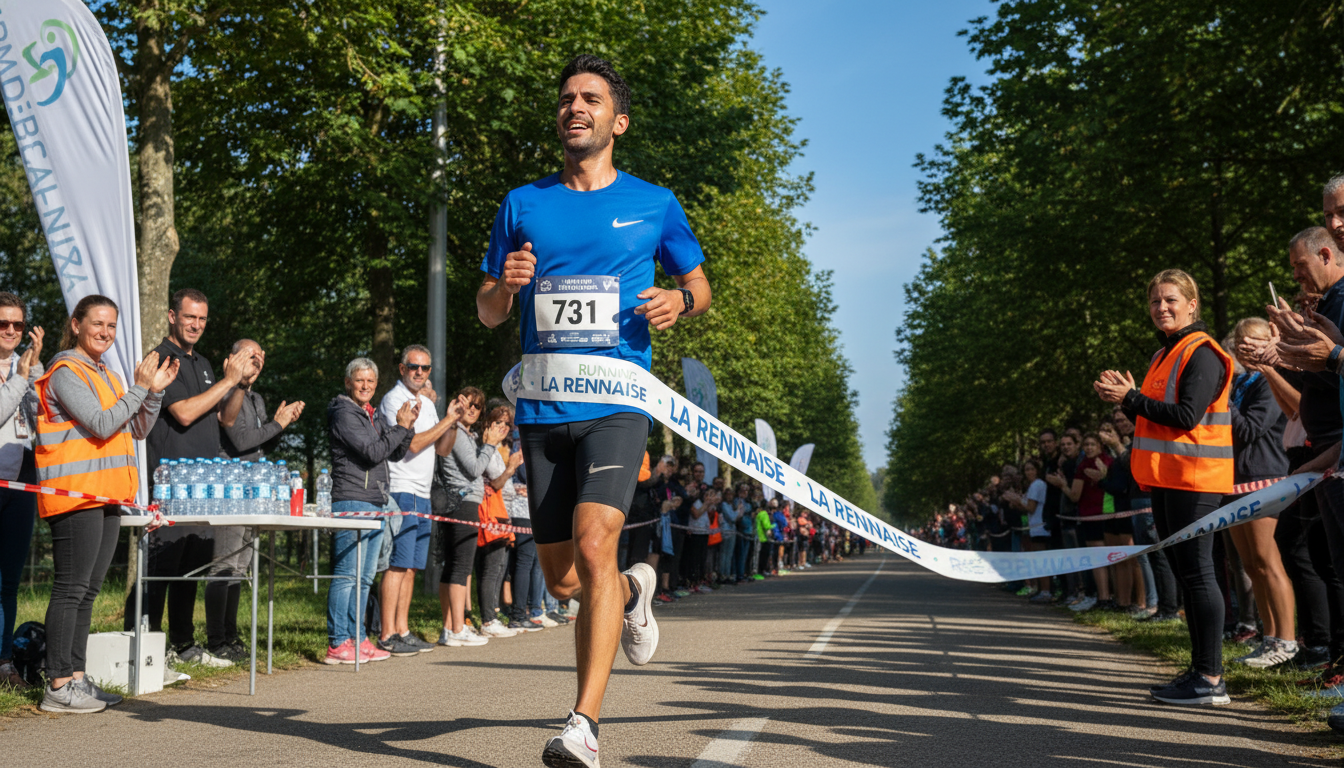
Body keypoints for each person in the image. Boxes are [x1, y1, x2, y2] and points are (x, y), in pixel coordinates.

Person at [477, 53, 712, 766]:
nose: (574, 107)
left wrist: (679, 300)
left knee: (594, 542)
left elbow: (701, 286)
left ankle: (584, 724)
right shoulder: (523, 203)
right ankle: (636, 589)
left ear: (619, 121)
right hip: (543, 409)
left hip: (616, 403)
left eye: (590, 98)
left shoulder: (655, 203)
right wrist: (505, 287)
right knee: (564, 580)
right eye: (567, 98)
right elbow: (488, 312)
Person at [1095, 268, 1233, 705]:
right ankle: (1199, 670)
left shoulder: (1202, 352)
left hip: (1196, 480)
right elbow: (1153, 417)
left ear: (1192, 304)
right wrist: (1125, 400)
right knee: (1186, 574)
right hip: (1166, 479)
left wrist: (1130, 398)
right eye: (1155, 301)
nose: (1162, 308)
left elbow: (1187, 416)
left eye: (1171, 300)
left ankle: (1211, 678)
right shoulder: (1163, 354)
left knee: (1199, 573)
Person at [36, 295, 176, 713]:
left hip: (108, 496)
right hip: (76, 495)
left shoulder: (109, 375)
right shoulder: (65, 372)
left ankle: (76, 678)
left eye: (111, 326)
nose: (105, 332)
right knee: (71, 588)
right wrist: (140, 388)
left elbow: (137, 428)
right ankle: (58, 684)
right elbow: (101, 423)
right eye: (97, 323)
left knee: (88, 591)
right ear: (76, 325)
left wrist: (153, 394)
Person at [134, 289, 252, 670]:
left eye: (202, 319)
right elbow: (183, 412)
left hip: (202, 487)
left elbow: (225, 419)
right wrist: (227, 381)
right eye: (189, 317)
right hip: (170, 485)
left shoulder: (202, 363)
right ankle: (146, 649)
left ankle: (182, 643)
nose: (196, 325)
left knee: (190, 570)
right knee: (162, 570)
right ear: (172, 316)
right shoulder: (160, 358)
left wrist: (239, 385)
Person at [210, 338, 305, 662]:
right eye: (250, 355)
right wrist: (277, 424)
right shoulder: (226, 392)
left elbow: (260, 446)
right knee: (224, 564)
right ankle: (216, 641)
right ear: (232, 359)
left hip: (253, 489)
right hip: (229, 488)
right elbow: (240, 441)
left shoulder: (257, 398)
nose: (257, 360)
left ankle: (231, 636)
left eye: (260, 357)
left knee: (240, 567)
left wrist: (280, 425)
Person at [1216, 320, 1296, 669]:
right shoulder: (1241, 383)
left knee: (1268, 562)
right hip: (1236, 480)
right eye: (1240, 340)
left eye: (1253, 339)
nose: (1244, 345)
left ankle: (1287, 641)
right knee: (1250, 565)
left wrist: (1223, 403)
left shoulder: (1267, 381)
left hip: (1265, 478)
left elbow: (1250, 430)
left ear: (1269, 342)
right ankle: (1269, 638)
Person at [325, 357, 416, 665]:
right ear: (348, 382)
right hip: (352, 500)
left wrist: (407, 425)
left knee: (364, 578)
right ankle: (338, 642)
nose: (365, 386)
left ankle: (359, 638)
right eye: (359, 380)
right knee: (347, 575)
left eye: (370, 381)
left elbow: (396, 452)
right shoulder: (344, 413)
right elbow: (373, 452)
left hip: (376, 502)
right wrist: (398, 428)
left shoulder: (372, 414)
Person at [375, 344, 464, 657]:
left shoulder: (426, 404)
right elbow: (412, 444)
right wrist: (446, 420)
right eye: (414, 366)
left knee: (411, 567)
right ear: (402, 369)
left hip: (423, 492)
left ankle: (403, 630)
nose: (419, 372)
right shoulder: (394, 399)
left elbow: (442, 448)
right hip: (401, 489)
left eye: (425, 368)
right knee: (396, 565)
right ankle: (387, 633)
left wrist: (454, 421)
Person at [435, 386, 505, 646]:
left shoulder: (464, 434)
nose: (473, 410)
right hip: (463, 502)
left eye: (478, 406)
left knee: (453, 566)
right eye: (469, 404)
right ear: (458, 404)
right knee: (460, 567)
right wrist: (490, 445)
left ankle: (449, 628)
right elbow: (475, 469)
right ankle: (457, 628)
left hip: (458, 502)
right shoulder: (458, 434)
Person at [0, 293, 41, 689]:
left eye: (18, 324)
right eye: (3, 323)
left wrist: (36, 378)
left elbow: (42, 423)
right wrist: (21, 378)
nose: (11, 330)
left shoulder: (29, 366)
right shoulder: (20, 372)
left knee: (9, 582)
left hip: (23, 485)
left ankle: (4, 664)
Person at [476, 399, 525, 637]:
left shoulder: (497, 448)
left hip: (503, 511)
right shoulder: (486, 447)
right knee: (491, 567)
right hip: (490, 512)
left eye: (507, 424)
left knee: (500, 567)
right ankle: (488, 619)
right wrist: (511, 468)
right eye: (498, 422)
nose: (503, 427)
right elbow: (495, 483)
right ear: (487, 423)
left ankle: (493, 614)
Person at [1003, 459, 1050, 601]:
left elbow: (1031, 507)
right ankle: (1039, 588)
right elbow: (1026, 508)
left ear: (1037, 470)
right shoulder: (1032, 485)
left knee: (1041, 560)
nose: (1029, 472)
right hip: (1033, 526)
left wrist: (1017, 500)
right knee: (1036, 559)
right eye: (1026, 470)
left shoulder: (1037, 484)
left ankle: (1046, 590)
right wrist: (1016, 502)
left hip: (1040, 526)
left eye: (1032, 469)